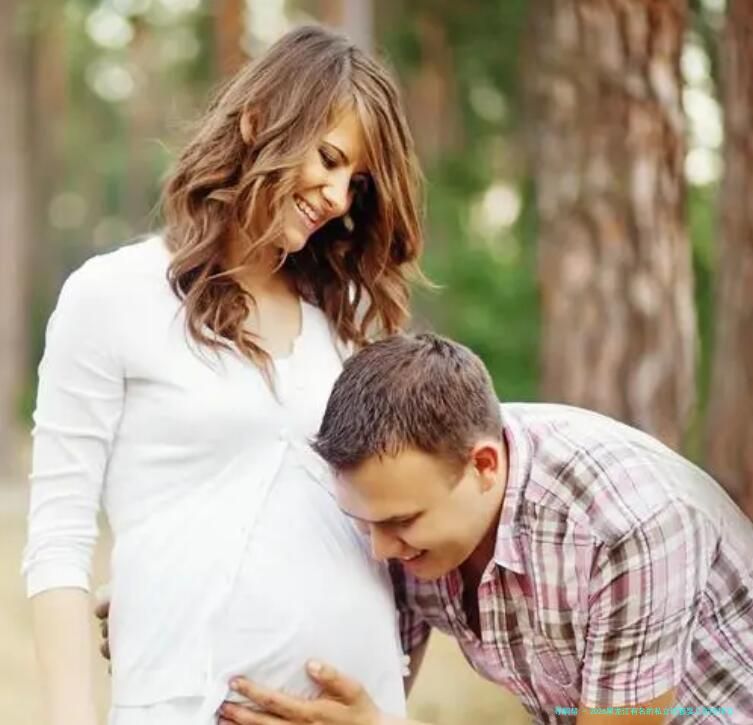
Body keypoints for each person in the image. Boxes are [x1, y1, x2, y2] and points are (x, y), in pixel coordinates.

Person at [22, 25, 426, 725]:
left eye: (355, 182)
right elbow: (58, 534)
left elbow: (405, 531)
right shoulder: (113, 296)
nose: (337, 196)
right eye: (329, 159)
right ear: (257, 122)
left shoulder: (350, 321)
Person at [218, 333, 753, 725]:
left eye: (401, 522)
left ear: (484, 466)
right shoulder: (404, 510)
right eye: (365, 522)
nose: (378, 550)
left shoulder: (628, 528)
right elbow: (373, 697)